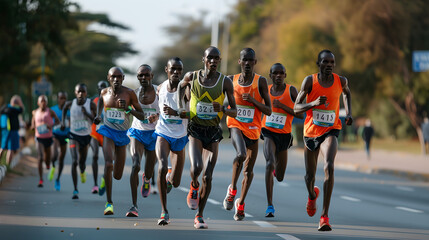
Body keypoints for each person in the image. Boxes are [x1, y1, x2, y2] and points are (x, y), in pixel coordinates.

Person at [294, 49, 352, 231]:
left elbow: (346, 93)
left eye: (331, 62)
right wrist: (313, 103)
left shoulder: (340, 80)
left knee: (329, 166)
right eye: (325, 62)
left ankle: (324, 216)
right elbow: (296, 108)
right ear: (318, 64)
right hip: (311, 132)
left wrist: (349, 112)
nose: (329, 65)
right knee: (309, 176)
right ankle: (312, 196)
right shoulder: (309, 81)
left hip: (331, 130)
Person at [181, 46, 237, 229]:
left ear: (219, 61)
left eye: (216, 58)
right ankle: (193, 186)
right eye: (210, 58)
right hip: (196, 129)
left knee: (209, 176)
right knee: (197, 168)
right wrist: (184, 100)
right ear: (203, 59)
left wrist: (223, 109)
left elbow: (234, 111)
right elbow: (179, 89)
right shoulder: (192, 76)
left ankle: (200, 215)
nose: (213, 61)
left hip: (213, 131)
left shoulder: (225, 82)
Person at [223, 48, 272, 221]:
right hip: (236, 124)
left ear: (255, 62)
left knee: (249, 171)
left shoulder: (261, 82)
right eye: (244, 60)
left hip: (253, 129)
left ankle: (240, 203)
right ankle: (232, 189)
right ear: (239, 62)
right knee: (241, 154)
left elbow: (269, 110)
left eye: (251, 60)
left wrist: (253, 101)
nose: (247, 63)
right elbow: (221, 101)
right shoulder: (230, 80)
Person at [93, 66, 145, 215]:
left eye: (119, 77)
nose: (116, 79)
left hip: (122, 134)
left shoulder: (129, 93)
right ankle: (109, 203)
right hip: (108, 131)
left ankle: (106, 177)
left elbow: (142, 115)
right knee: (108, 163)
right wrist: (98, 116)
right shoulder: (104, 92)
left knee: (117, 175)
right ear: (108, 78)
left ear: (123, 78)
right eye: (113, 77)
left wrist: (128, 109)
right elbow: (100, 103)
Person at [261, 63, 303, 217]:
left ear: (285, 75)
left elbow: (300, 114)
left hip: (284, 136)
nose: (278, 75)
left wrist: (283, 106)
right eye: (275, 73)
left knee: (279, 176)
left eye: (281, 73)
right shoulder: (265, 90)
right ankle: (270, 205)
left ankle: (273, 172)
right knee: (269, 163)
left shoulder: (291, 90)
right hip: (268, 132)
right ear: (270, 75)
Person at [153, 58, 189, 225]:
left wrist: (176, 112)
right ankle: (164, 211)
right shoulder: (160, 88)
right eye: (173, 69)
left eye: (179, 70)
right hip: (163, 133)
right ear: (166, 69)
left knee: (175, 183)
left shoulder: (186, 89)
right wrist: (156, 115)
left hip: (180, 136)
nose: (176, 72)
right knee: (161, 165)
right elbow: (161, 110)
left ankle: (169, 178)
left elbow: (192, 114)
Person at [126, 64, 159, 218]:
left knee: (149, 170)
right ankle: (134, 205)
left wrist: (157, 117)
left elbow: (169, 110)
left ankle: (147, 178)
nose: (143, 78)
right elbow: (126, 108)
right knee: (135, 164)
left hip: (154, 134)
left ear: (152, 76)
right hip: (137, 132)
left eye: (147, 75)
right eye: (140, 75)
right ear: (137, 77)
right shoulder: (134, 93)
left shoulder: (160, 91)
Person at [61, 83, 97, 199]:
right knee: (75, 161)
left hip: (86, 136)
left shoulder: (90, 104)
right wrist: (62, 122)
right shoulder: (70, 104)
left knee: (82, 163)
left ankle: (82, 171)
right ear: (75, 93)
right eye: (79, 91)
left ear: (86, 93)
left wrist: (87, 113)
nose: (81, 93)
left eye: (83, 91)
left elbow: (96, 121)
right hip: (73, 135)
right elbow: (64, 109)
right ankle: (75, 190)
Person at [31, 95, 60, 187]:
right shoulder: (35, 112)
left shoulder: (50, 112)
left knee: (47, 159)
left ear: (46, 103)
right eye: (41, 101)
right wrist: (32, 126)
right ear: (38, 103)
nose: (43, 103)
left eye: (45, 101)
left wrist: (50, 126)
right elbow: (33, 122)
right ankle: (40, 179)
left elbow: (57, 121)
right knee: (40, 157)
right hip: (39, 137)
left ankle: (47, 164)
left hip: (48, 137)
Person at [89, 80, 109, 194]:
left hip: (106, 133)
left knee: (108, 160)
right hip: (95, 132)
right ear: (97, 89)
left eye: (104, 87)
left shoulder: (111, 100)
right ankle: (95, 184)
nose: (102, 89)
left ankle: (104, 178)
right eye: (100, 87)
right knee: (95, 155)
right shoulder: (93, 101)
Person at [50, 91, 70, 191]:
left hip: (65, 136)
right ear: (58, 99)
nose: (63, 100)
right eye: (61, 98)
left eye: (64, 98)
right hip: (55, 134)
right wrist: (57, 125)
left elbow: (71, 123)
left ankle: (57, 179)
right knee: (55, 154)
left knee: (62, 157)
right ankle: (53, 164)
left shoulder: (69, 111)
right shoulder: (53, 110)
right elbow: (49, 123)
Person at [0, 95, 24, 166]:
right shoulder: (14, 109)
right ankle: (8, 166)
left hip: (4, 130)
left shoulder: (4, 108)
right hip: (12, 130)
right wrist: (19, 101)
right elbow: (22, 109)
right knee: (11, 149)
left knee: (2, 147)